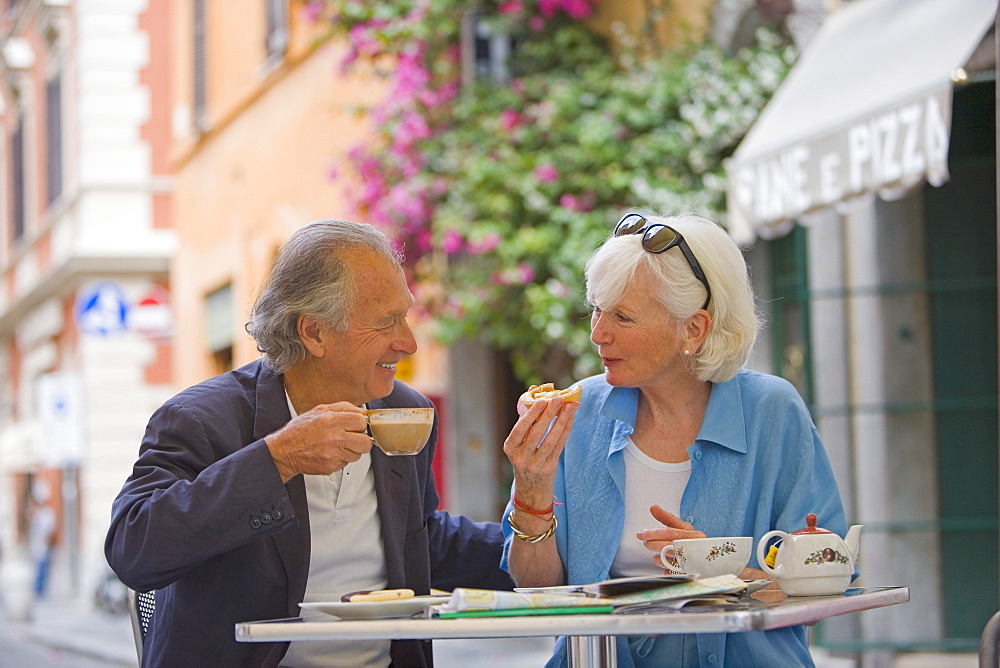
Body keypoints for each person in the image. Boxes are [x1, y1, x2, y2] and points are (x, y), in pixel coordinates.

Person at [106, 220, 518, 667]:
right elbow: (134, 548)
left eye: (405, 315)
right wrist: (277, 458)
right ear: (315, 332)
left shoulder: (402, 409)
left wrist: (564, 551)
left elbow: (420, 539)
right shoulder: (202, 418)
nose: (409, 343)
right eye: (387, 322)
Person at [502, 211, 850, 667]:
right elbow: (535, 587)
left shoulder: (772, 410)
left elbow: (825, 577)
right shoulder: (578, 409)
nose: (597, 334)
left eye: (623, 317)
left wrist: (718, 569)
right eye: (597, 310)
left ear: (694, 329)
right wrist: (531, 490)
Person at [28, 480, 56, 598]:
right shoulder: (37, 514)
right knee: (38, 571)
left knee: (41, 571)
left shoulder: (46, 513)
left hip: (43, 547)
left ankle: (39, 593)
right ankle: (38, 592)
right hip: (37, 546)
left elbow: (49, 531)